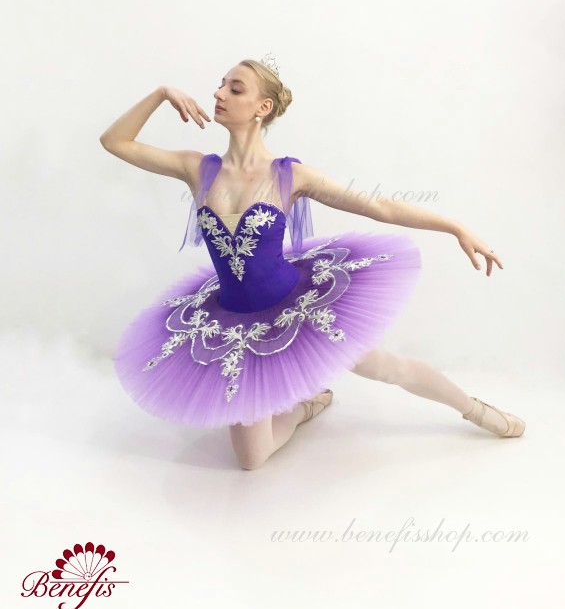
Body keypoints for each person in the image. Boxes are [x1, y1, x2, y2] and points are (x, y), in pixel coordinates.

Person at [100, 53, 525, 470]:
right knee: (251, 460)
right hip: (234, 322)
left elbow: (380, 206)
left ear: (262, 108)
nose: (219, 94)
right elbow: (114, 142)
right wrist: (161, 93)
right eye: (221, 85)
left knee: (385, 367)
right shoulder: (196, 168)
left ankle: (475, 409)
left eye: (235, 88)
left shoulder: (289, 175)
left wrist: (455, 227)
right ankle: (307, 406)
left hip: (296, 307)